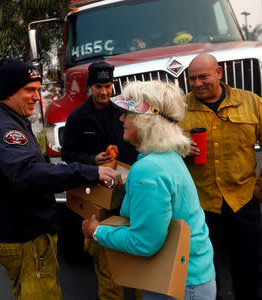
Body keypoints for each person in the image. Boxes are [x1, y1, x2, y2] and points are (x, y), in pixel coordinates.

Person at [0, 59, 121, 300]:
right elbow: (29, 174)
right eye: (29, 90)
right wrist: (89, 170)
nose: (37, 97)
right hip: (26, 238)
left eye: (38, 90)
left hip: (26, 235)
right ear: (9, 91)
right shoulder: (8, 130)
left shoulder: (14, 121)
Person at [82, 80, 216, 300]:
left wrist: (96, 231)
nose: (121, 118)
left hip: (178, 283)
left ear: (146, 121)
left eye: (127, 113)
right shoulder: (164, 156)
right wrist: (127, 187)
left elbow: (144, 243)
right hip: (190, 276)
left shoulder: (149, 169)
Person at [179, 53, 261, 300]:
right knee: (205, 273)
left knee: (251, 269)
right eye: (192, 79)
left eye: (203, 77)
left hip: (243, 199)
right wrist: (180, 148)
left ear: (219, 73)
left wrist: (260, 185)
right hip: (199, 204)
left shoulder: (250, 102)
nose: (197, 84)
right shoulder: (179, 109)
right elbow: (160, 151)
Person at [61, 61, 138, 300]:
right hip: (95, 196)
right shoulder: (77, 118)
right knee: (103, 256)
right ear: (88, 87)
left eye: (107, 85)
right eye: (98, 86)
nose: (103, 91)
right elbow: (68, 155)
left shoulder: (123, 113)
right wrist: (93, 159)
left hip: (128, 193)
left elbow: (139, 148)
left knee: (137, 257)